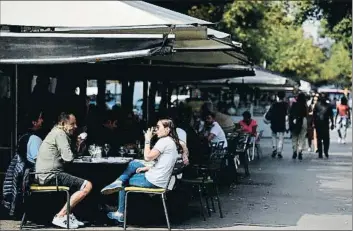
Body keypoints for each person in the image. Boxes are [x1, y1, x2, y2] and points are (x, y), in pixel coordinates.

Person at [100, 118, 181, 223]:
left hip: (153, 181)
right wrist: (147, 168)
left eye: (158, 127)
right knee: (134, 164)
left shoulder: (164, 141)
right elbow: (164, 164)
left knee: (125, 181)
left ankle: (120, 212)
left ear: (167, 129)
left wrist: (147, 139)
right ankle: (118, 185)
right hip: (160, 180)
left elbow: (147, 157)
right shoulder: (171, 142)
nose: (156, 130)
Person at [35, 113, 92, 228]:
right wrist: (77, 145)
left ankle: (68, 215)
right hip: (51, 175)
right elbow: (68, 158)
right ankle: (61, 215)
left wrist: (78, 145)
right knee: (87, 185)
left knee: (76, 181)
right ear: (62, 124)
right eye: (72, 124)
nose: (75, 126)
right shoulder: (60, 134)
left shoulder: (56, 132)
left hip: (45, 174)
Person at [268, 91, 288, 158]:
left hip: (274, 122)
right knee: (281, 137)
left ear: (278, 96)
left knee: (273, 135)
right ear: (284, 96)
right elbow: (287, 114)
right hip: (281, 122)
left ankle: (274, 149)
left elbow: (270, 112)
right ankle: (279, 151)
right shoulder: (285, 104)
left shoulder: (274, 104)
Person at [313, 93, 334, 158]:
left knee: (325, 139)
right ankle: (321, 152)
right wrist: (313, 123)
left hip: (325, 124)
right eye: (322, 97)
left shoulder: (328, 106)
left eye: (324, 97)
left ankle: (325, 151)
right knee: (320, 139)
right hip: (319, 124)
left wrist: (332, 123)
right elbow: (314, 114)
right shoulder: (317, 105)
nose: (323, 99)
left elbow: (331, 115)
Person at [289, 93, 308, 160]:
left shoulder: (294, 105)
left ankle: (294, 150)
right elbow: (306, 114)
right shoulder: (304, 105)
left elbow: (290, 114)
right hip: (303, 120)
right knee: (302, 137)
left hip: (295, 121)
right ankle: (300, 150)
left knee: (294, 136)